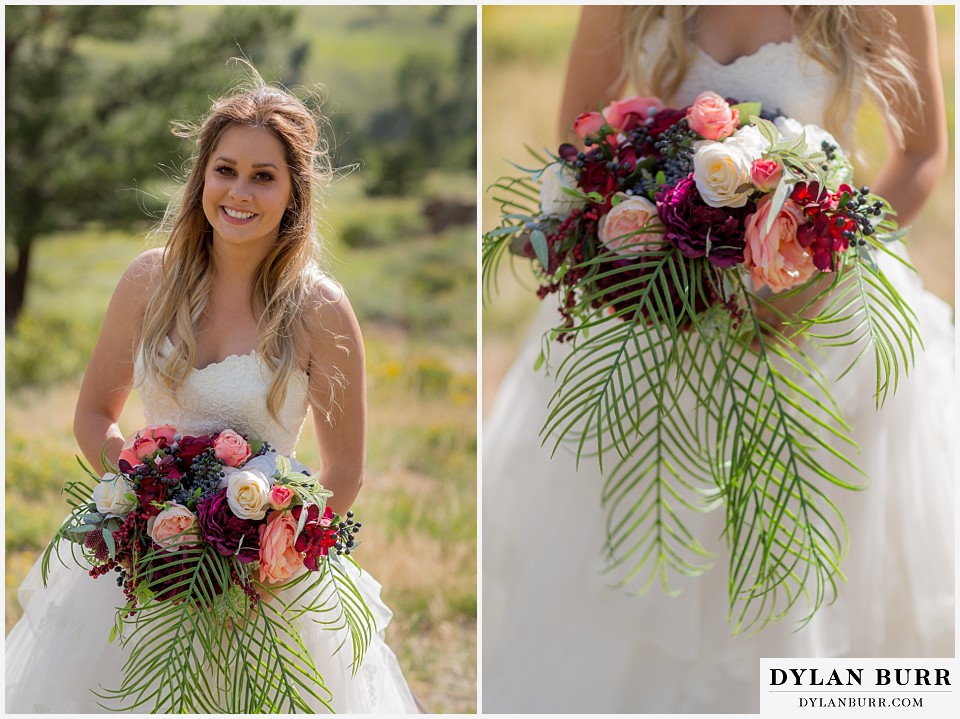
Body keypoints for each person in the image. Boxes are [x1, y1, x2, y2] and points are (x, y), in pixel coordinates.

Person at [482, 5, 954, 713]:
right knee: (637, 557)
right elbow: (577, 144)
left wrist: (820, 273)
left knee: (809, 552)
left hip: (815, 310)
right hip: (659, 304)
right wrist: (627, 254)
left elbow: (920, 155)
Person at [5, 77, 420, 713]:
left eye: (264, 176)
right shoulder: (149, 282)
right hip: (145, 566)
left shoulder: (320, 311)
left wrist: (258, 554)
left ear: (293, 194)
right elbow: (94, 416)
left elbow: (344, 472)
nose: (239, 192)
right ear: (202, 178)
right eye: (225, 170)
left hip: (264, 584)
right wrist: (143, 499)